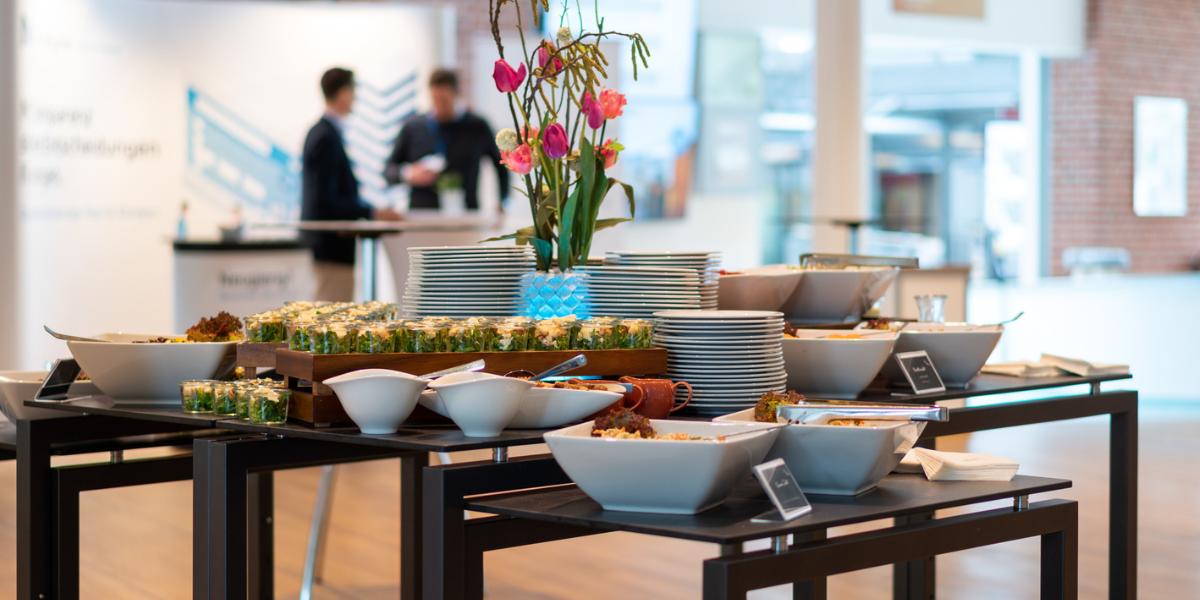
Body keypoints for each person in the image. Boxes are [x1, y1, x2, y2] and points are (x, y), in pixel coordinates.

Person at [301, 67, 402, 302]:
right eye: (354, 91)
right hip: (330, 247)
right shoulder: (325, 136)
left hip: (332, 248)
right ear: (345, 93)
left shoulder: (326, 133)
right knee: (331, 322)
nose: (355, 97)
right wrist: (372, 212)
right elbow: (325, 200)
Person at [384, 69, 508, 211]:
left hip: (466, 216)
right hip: (421, 216)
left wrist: (503, 202)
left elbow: (501, 165)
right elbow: (388, 171)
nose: (440, 107)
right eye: (435, 100)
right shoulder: (412, 127)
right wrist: (409, 173)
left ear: (457, 95)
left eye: (445, 101)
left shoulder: (477, 126)